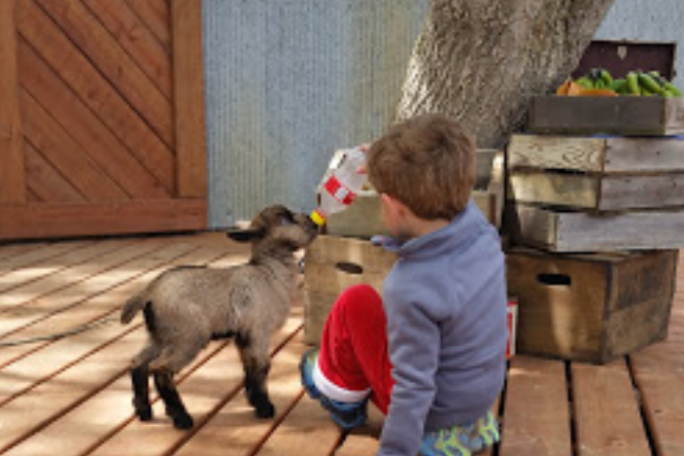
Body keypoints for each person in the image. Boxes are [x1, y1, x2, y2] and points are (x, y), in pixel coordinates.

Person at [300, 113, 508, 456]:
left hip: (434, 413)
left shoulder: (410, 285)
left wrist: (395, 451)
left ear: (391, 206)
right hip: (476, 396)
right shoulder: (481, 231)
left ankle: (342, 398)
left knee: (357, 302)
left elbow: (413, 389)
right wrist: (384, 158)